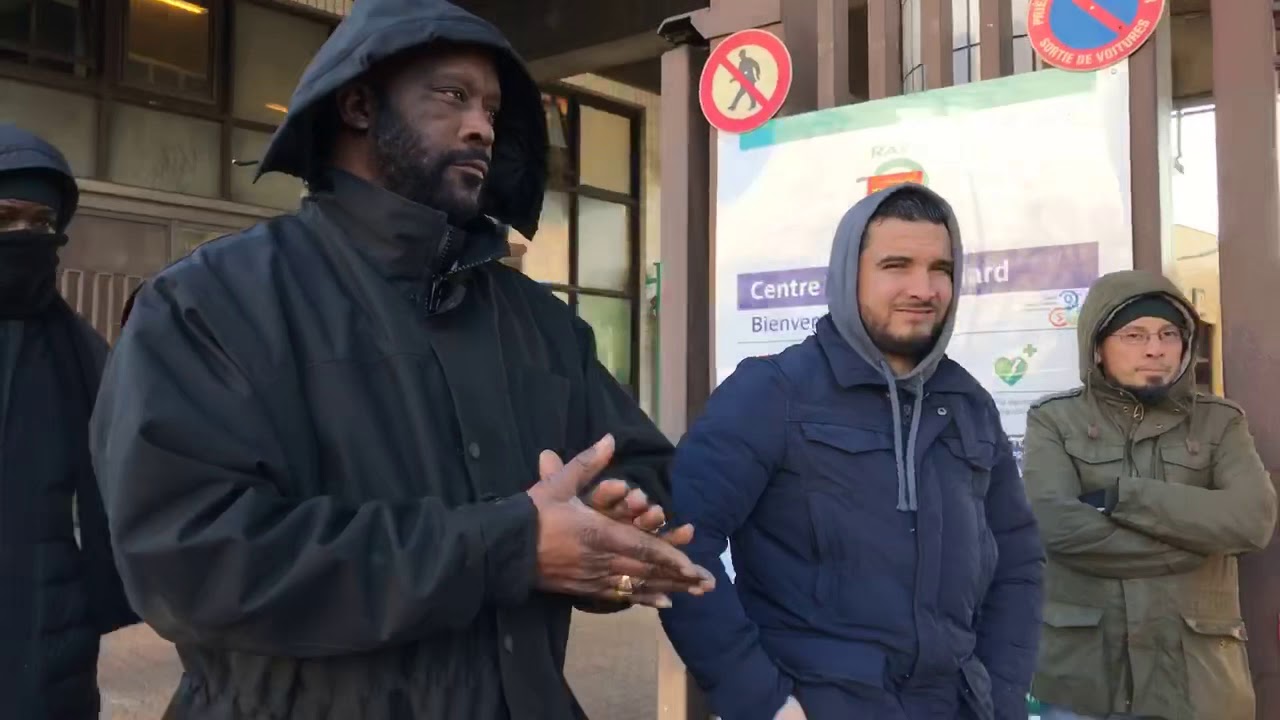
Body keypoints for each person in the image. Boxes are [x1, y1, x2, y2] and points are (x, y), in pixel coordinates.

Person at [88, 1, 714, 718]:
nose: (482, 126)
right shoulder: (210, 302)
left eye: (492, 109)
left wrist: (614, 520)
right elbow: (191, 561)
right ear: (358, 106)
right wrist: (508, 547)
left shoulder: (540, 322)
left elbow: (640, 466)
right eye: (452, 95)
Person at [659, 184, 1044, 720]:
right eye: (896, 265)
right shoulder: (773, 392)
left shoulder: (968, 404)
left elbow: (1018, 560)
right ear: (848, 275)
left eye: (940, 269)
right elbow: (679, 543)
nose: (923, 288)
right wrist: (762, 701)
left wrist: (1001, 698)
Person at [1022, 270, 1276, 720]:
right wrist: (1195, 542)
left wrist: (1124, 497)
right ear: (1097, 346)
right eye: (1134, 335)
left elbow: (1251, 520)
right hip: (1086, 679)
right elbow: (1054, 525)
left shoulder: (1220, 422)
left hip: (1198, 680)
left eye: (1168, 334)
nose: (1155, 349)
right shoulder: (1055, 421)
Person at [0, 124, 138, 718]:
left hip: (44, 645)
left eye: (41, 223)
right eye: (4, 216)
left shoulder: (82, 354)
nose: (24, 236)